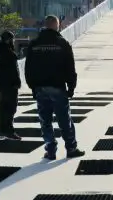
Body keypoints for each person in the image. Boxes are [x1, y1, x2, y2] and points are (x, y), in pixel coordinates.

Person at [25, 15, 85, 161]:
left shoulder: (34, 44)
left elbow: (28, 68)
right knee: (64, 119)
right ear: (57, 26)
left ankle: (50, 150)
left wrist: (33, 87)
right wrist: (71, 87)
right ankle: (71, 148)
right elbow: (70, 68)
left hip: (40, 88)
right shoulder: (62, 43)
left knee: (45, 120)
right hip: (57, 86)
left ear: (45, 25)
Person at [0, 31, 22, 140]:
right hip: (10, 84)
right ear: (9, 40)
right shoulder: (9, 52)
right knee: (11, 107)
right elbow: (13, 70)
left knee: (3, 106)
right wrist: (17, 82)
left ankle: (3, 129)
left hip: (0, 84)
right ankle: (9, 130)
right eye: (12, 39)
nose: (13, 42)